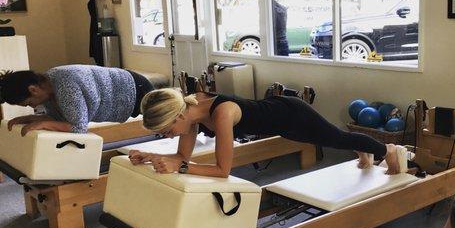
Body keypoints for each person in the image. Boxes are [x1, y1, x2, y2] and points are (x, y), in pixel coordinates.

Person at [129, 89, 403, 177]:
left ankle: (386, 150)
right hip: (281, 121)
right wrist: (149, 156)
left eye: (166, 130)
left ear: (177, 116)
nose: (168, 135)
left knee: (335, 138)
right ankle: (363, 153)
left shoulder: (221, 114)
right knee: (333, 138)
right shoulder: (188, 110)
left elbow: (223, 169)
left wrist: (184, 168)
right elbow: (181, 155)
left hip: (292, 115)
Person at [0, 65, 154, 135]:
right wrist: (29, 118)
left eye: (28, 103)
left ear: (33, 89)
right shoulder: (46, 85)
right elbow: (60, 118)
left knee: (164, 124)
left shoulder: (65, 86)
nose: (31, 106)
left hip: (135, 89)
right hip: (128, 85)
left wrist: (42, 123)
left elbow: (78, 127)